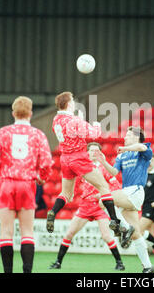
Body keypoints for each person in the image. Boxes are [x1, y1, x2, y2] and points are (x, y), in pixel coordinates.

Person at [0, 96, 53, 273]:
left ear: (13, 113)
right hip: (27, 184)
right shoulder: (38, 135)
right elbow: (47, 162)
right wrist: (42, 177)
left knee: (6, 232)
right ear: (30, 113)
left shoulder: (3, 132)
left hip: (7, 184)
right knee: (27, 232)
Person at [47, 91, 120, 234]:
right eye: (72, 101)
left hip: (65, 158)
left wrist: (79, 120)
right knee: (104, 186)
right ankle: (114, 220)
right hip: (78, 157)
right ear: (68, 104)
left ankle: (53, 212)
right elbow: (94, 134)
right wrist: (96, 124)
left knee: (66, 194)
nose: (74, 103)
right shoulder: (74, 120)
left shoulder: (56, 119)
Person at [49, 142, 125, 271]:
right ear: (87, 153)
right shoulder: (81, 169)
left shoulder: (103, 169)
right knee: (69, 233)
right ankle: (58, 262)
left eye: (97, 151)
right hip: (85, 206)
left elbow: (116, 186)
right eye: (91, 151)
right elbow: (72, 184)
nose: (94, 153)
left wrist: (101, 196)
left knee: (107, 236)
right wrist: (70, 193)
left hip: (100, 207)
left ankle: (119, 263)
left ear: (100, 154)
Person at [96, 126, 154, 273]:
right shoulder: (122, 156)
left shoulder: (143, 149)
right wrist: (103, 162)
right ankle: (148, 266)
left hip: (135, 191)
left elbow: (141, 146)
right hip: (126, 192)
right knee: (136, 235)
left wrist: (125, 147)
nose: (125, 137)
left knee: (104, 199)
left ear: (136, 137)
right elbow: (114, 172)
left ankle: (122, 226)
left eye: (128, 135)